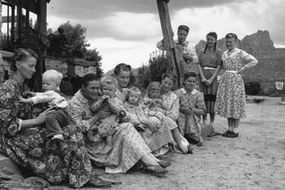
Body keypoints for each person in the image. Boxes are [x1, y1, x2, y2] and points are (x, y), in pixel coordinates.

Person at [0, 48, 111, 189]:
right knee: (67, 133)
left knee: (72, 127)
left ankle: (81, 173)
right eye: (30, 66)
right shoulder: (7, 89)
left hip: (26, 129)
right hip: (11, 139)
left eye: (34, 66)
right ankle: (77, 175)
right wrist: (37, 121)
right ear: (17, 64)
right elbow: (5, 126)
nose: (34, 70)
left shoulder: (23, 87)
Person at [68, 74, 170, 175]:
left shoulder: (103, 94)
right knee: (125, 129)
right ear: (83, 87)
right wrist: (97, 117)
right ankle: (151, 162)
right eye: (92, 88)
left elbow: (122, 111)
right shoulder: (75, 103)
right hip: (94, 139)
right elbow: (78, 128)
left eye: (97, 88)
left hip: (108, 128)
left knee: (128, 126)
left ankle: (152, 161)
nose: (96, 91)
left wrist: (138, 121)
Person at [215, 33, 258, 138]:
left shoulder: (240, 52)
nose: (229, 44)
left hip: (236, 79)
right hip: (225, 79)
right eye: (227, 42)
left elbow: (254, 61)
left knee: (236, 103)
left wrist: (243, 69)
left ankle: (235, 130)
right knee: (228, 103)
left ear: (236, 42)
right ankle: (229, 129)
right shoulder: (224, 53)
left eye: (231, 42)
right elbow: (219, 65)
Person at [19, 69, 69, 141]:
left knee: (50, 117)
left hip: (61, 111)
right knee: (46, 115)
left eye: (48, 84)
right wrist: (33, 93)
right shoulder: (51, 92)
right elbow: (41, 94)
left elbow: (39, 99)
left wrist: (24, 100)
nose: (45, 86)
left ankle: (57, 133)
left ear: (56, 85)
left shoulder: (51, 93)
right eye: (43, 83)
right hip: (60, 110)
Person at [123, 86, 174, 153]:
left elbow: (143, 114)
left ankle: (163, 145)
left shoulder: (138, 106)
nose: (133, 98)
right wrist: (146, 121)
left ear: (138, 99)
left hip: (143, 120)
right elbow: (134, 117)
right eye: (131, 96)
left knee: (158, 122)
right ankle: (150, 150)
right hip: (137, 124)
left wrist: (151, 116)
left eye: (136, 97)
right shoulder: (126, 106)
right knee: (148, 130)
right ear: (128, 97)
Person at [159, 72, 192, 153]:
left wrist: (163, 112)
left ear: (173, 85)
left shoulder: (174, 97)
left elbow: (174, 115)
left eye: (169, 84)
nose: (166, 85)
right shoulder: (155, 91)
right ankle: (179, 142)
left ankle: (179, 142)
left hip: (166, 120)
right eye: (165, 82)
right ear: (161, 81)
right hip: (152, 116)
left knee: (168, 120)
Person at [89, 76, 126, 150]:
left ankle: (109, 145)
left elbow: (118, 111)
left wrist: (110, 103)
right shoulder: (99, 99)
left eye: (110, 90)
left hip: (110, 121)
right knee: (90, 130)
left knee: (108, 133)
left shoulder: (116, 100)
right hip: (99, 120)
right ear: (101, 90)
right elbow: (93, 109)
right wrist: (100, 102)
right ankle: (92, 140)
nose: (107, 91)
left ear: (114, 91)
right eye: (105, 89)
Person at [197, 32, 222, 135]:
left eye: (211, 39)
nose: (209, 41)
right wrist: (202, 77)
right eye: (208, 39)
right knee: (204, 99)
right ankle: (204, 122)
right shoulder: (201, 51)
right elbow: (198, 64)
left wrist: (212, 79)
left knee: (212, 100)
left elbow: (219, 66)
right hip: (202, 77)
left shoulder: (219, 52)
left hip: (213, 78)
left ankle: (211, 124)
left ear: (215, 40)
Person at [175, 72, 206, 146]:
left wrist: (193, 110)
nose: (191, 83)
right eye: (189, 81)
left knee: (190, 114)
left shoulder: (198, 94)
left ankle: (191, 135)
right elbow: (174, 106)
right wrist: (182, 109)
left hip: (192, 116)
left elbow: (203, 111)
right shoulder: (178, 93)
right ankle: (181, 135)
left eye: (193, 81)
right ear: (184, 81)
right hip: (180, 114)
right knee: (181, 115)